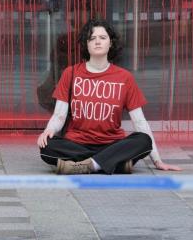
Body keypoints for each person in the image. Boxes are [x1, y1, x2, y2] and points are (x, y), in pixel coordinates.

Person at [37, 18, 181, 175]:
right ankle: (113, 163)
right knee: (47, 147)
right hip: (77, 143)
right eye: (92, 38)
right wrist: (48, 131)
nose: (97, 42)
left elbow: (139, 121)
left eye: (102, 38)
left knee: (144, 141)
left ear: (110, 43)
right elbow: (59, 115)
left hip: (112, 144)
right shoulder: (70, 73)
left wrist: (158, 161)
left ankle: (88, 165)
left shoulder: (124, 78)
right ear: (86, 44)